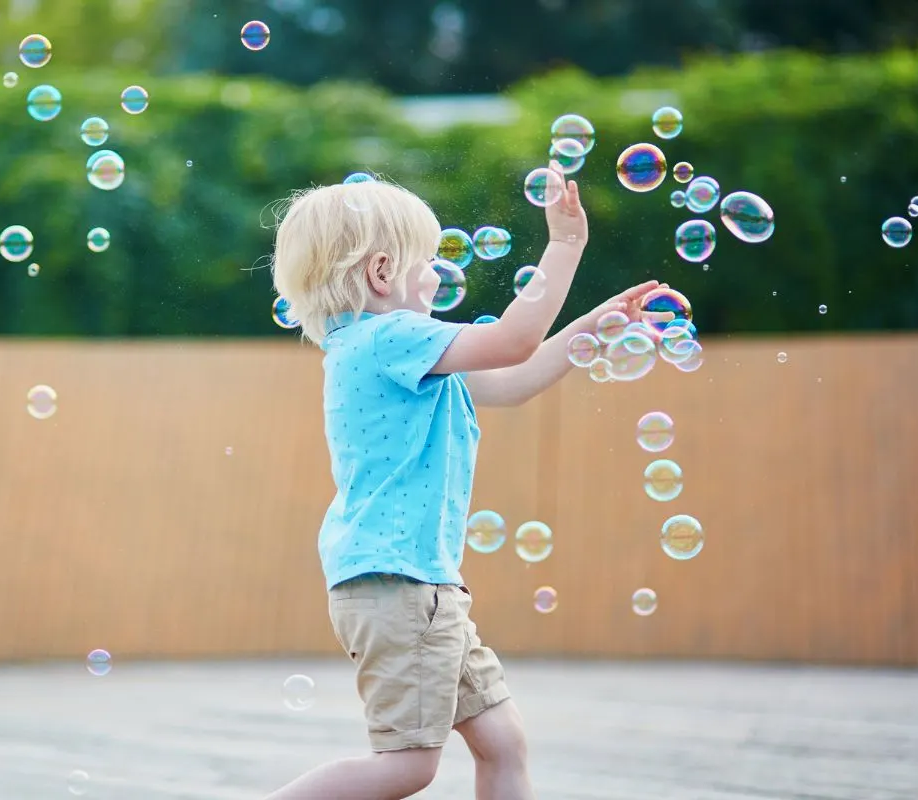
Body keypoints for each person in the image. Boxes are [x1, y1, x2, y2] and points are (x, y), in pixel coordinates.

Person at [265, 162, 665, 800]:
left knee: (502, 741)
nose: (440, 272)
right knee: (407, 766)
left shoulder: (387, 349)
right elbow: (511, 343)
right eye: (429, 258)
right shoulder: (388, 337)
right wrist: (564, 247)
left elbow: (511, 380)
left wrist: (595, 327)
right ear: (381, 273)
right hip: (401, 586)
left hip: (418, 586)